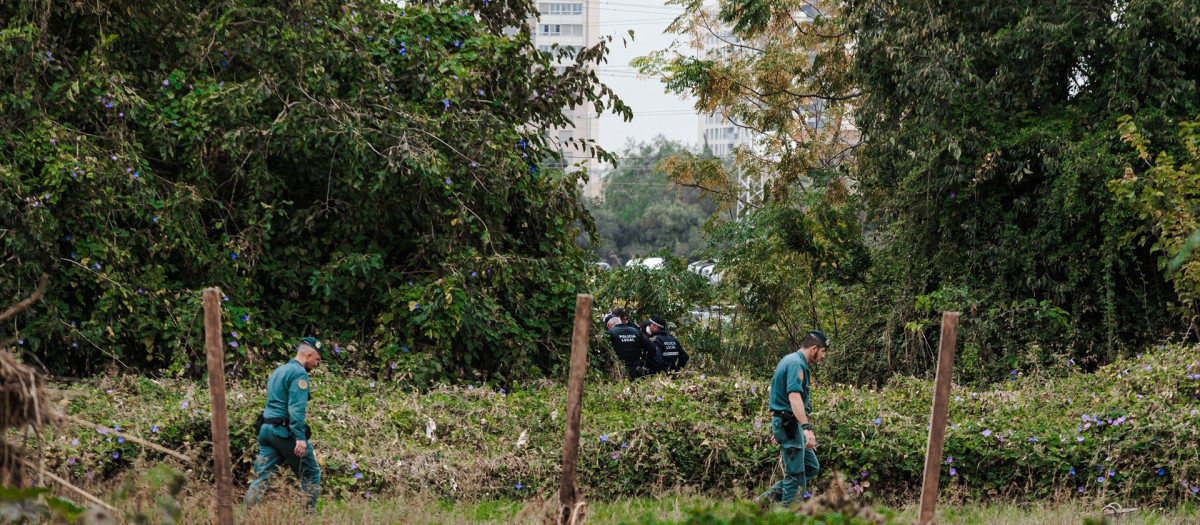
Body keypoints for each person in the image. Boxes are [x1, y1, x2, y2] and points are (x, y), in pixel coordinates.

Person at [244, 337, 324, 511]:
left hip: (265, 430)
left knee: (262, 478)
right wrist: (300, 437)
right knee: (310, 473)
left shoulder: (280, 370)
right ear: (308, 355)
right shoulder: (299, 373)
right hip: (282, 431)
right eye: (317, 360)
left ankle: (246, 518)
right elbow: (296, 409)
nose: (317, 364)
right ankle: (307, 518)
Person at [758, 330, 828, 507]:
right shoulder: (796, 364)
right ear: (814, 348)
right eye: (823, 352)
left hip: (788, 425)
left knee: (811, 466)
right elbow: (793, 397)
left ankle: (762, 502)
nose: (823, 357)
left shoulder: (793, 361)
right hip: (789, 424)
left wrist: (782, 429)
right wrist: (806, 428)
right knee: (795, 475)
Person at [604, 311, 655, 380]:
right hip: (637, 369)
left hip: (619, 370)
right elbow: (652, 348)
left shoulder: (610, 333)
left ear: (609, 325)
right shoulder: (636, 331)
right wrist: (646, 363)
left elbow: (604, 351)